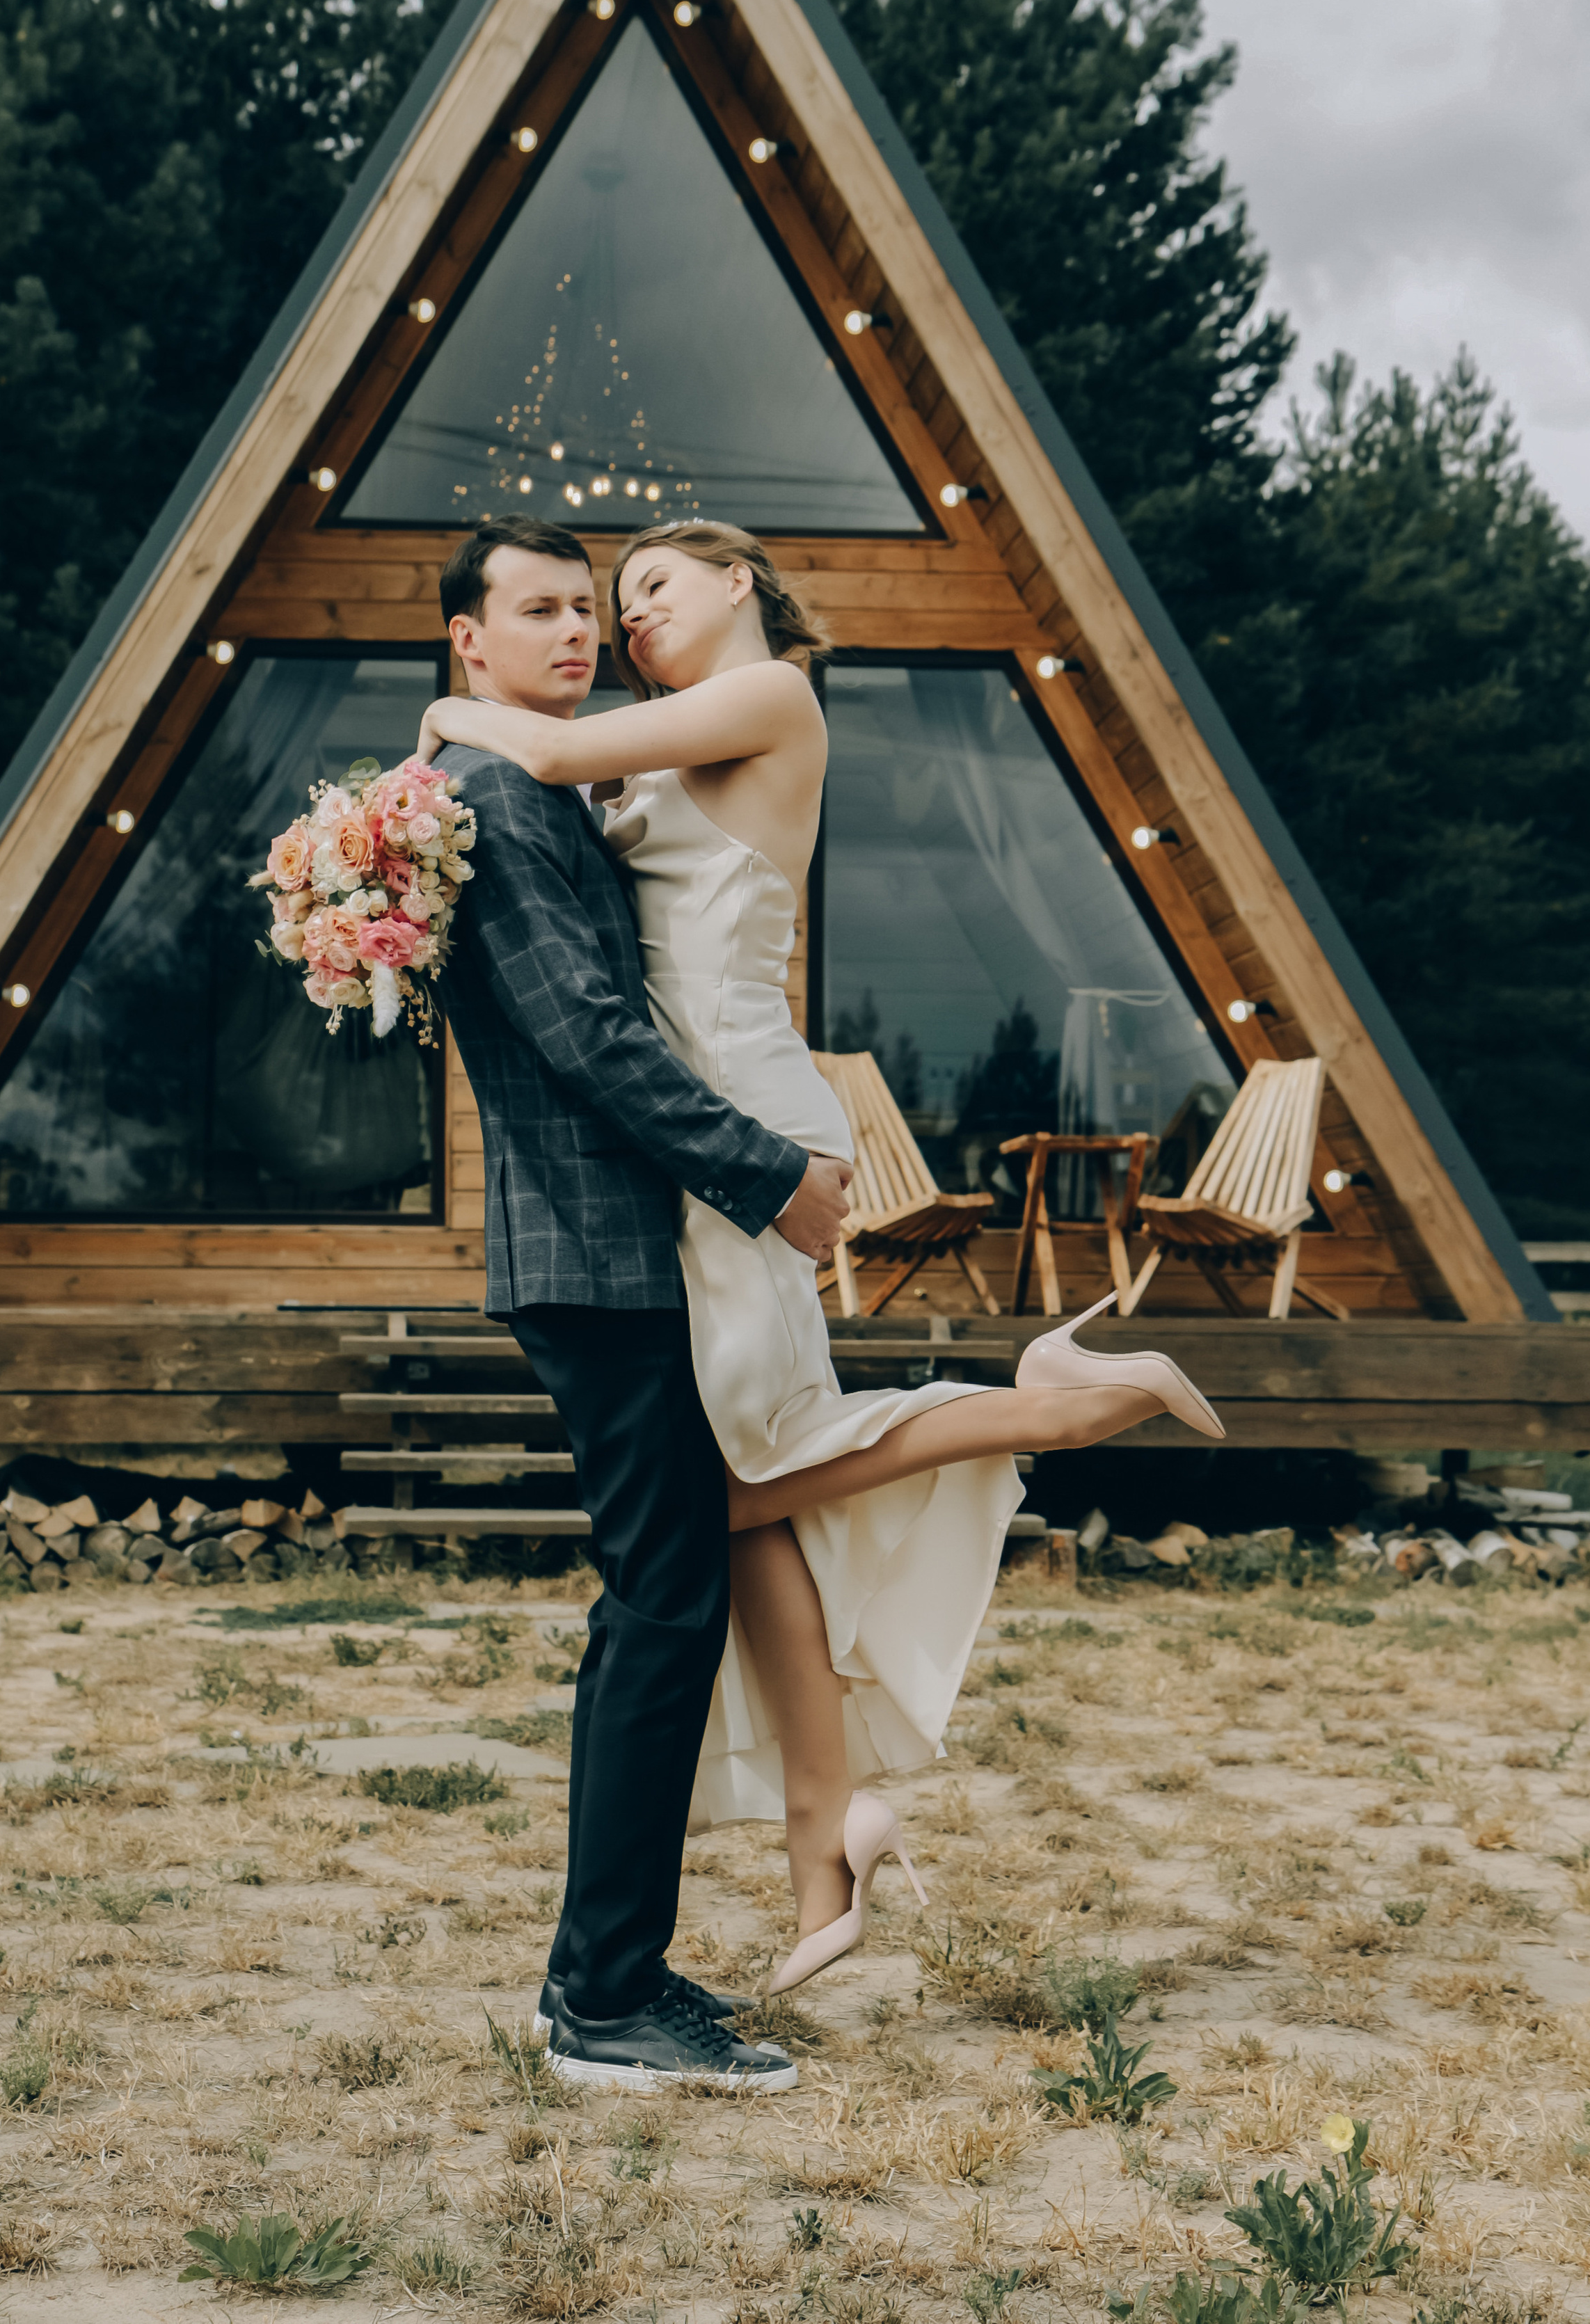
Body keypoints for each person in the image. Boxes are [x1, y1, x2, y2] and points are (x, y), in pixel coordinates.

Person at [421, 516, 1225, 2000]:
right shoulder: (662, 739)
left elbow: (535, 762)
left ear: (739, 582)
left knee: (736, 1474)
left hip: (742, 1110)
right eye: (604, 604)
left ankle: (1034, 1403)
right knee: (732, 1507)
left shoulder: (773, 693)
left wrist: (444, 715)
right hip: (702, 1134)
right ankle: (823, 1842)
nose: (625, 620)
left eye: (648, 589)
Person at [424, 516, 854, 2095]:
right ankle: (603, 1997)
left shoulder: (549, 779)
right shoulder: (500, 794)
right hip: (603, 1256)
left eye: (589, 610)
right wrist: (764, 1178)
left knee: (685, 1583)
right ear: (466, 641)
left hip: (632, 1246)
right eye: (539, 611)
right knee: (663, 1609)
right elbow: (592, 1044)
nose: (578, 633)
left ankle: (623, 1968)